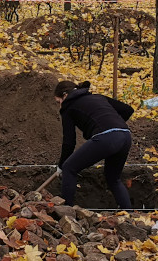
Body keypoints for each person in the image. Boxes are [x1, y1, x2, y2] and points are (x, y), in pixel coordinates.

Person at [54, 79, 134, 209]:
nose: (59, 106)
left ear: (65, 95)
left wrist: (61, 165)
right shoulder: (98, 97)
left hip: (106, 138)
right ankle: (128, 214)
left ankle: (66, 212)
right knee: (113, 178)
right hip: (125, 136)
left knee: (69, 168)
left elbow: (69, 141)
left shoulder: (68, 107)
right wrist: (114, 124)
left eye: (58, 102)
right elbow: (128, 110)